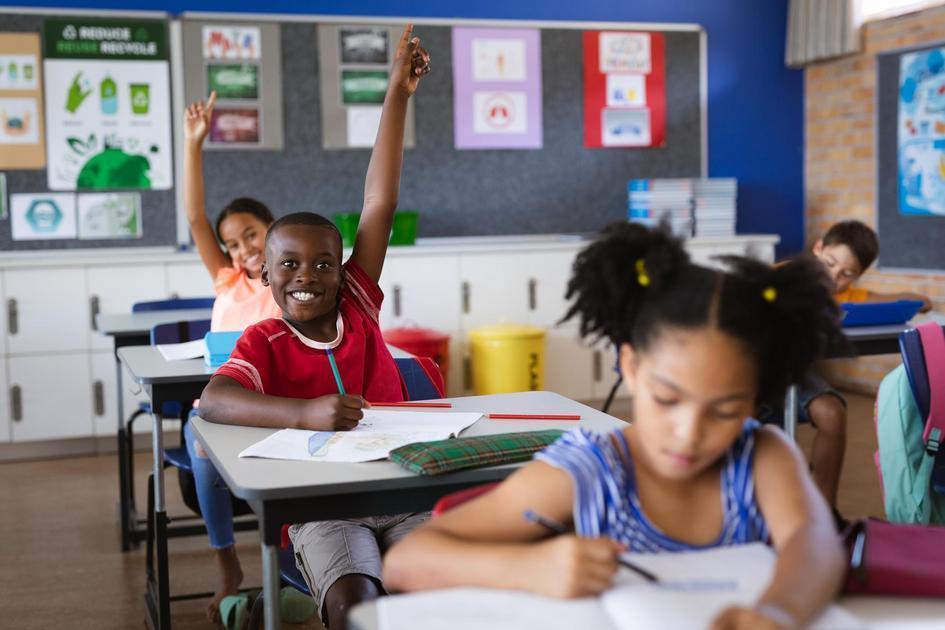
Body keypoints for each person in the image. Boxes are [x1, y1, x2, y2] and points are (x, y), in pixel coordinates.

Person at [383, 222, 847, 630]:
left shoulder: (762, 457)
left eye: (725, 411)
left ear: (756, 397)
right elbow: (405, 563)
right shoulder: (589, 471)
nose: (689, 431)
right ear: (630, 365)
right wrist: (527, 567)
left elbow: (817, 542)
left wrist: (779, 613)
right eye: (668, 399)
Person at [198, 24, 430, 630]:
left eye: (325, 262)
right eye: (290, 265)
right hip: (324, 505)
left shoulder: (357, 300)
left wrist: (396, 96)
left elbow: (379, 201)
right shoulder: (264, 340)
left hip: (402, 492)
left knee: (431, 594)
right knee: (358, 608)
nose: (310, 276)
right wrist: (303, 414)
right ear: (265, 276)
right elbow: (214, 400)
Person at [180, 88, 282, 622]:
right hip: (222, 407)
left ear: (274, 233)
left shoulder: (291, 282)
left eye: (253, 236)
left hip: (279, 404)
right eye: (234, 243)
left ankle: (291, 563)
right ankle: (228, 566)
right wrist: (194, 144)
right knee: (198, 445)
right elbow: (195, 216)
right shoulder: (227, 281)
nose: (244, 250)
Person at [766, 220, 931, 518]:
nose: (833, 277)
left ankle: (825, 512)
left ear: (858, 276)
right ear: (818, 248)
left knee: (831, 412)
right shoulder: (788, 275)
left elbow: (905, 300)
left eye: (847, 275)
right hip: (755, 376)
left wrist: (918, 300)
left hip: (794, 375)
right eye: (829, 264)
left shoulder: (843, 296)